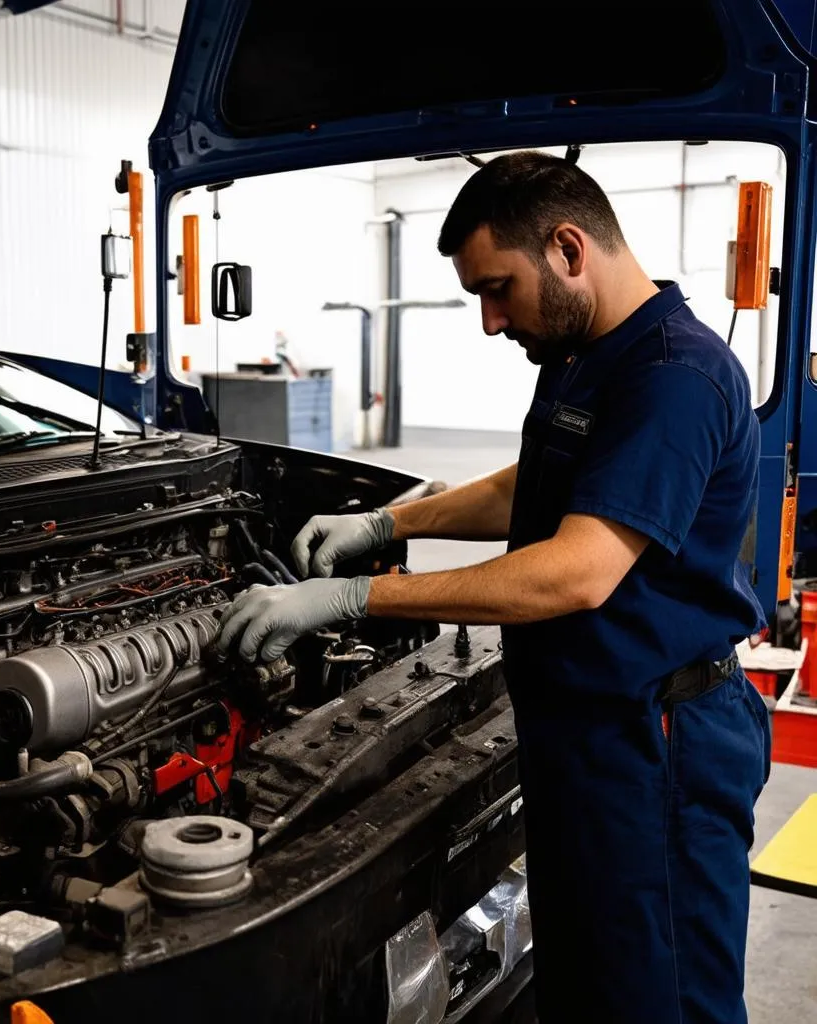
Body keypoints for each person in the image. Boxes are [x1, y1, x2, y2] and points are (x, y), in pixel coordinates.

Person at [215, 150, 772, 1024]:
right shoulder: (583, 350)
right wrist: (393, 522)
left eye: (498, 288)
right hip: (585, 738)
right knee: (587, 986)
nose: (489, 319)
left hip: (660, 747)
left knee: (662, 1000)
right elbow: (532, 487)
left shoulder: (675, 376)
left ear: (567, 248)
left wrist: (351, 599)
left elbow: (578, 570)